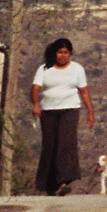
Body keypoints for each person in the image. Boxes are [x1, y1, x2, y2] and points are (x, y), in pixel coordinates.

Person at [30, 37, 95, 195]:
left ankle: (64, 180)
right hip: (49, 111)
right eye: (60, 52)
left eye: (66, 52)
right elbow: (35, 88)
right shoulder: (44, 69)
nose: (63, 56)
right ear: (55, 53)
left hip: (70, 109)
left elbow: (84, 92)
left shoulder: (77, 69)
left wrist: (90, 112)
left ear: (70, 53)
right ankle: (50, 185)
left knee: (66, 143)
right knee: (50, 145)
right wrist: (36, 104)